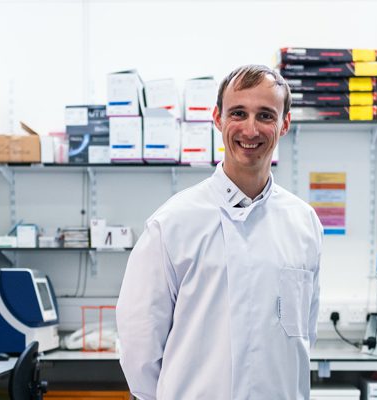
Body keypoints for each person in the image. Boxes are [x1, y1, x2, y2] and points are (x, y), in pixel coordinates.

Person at [116, 64, 323, 400]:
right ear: (218, 118)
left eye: (266, 116)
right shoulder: (172, 224)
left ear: (284, 124)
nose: (250, 129)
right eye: (238, 113)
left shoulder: (303, 223)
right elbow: (140, 345)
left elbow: (304, 335)